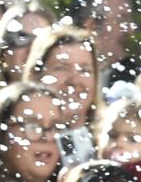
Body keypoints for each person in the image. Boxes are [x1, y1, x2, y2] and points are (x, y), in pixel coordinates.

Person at [24, 24, 101, 168]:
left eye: (85, 70)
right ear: (36, 76)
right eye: (61, 68)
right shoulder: (22, 143)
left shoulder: (110, 141)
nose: (74, 80)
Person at [68, 0, 137, 88]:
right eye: (121, 20)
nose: (129, 30)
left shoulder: (133, 79)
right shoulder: (62, 80)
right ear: (92, 26)